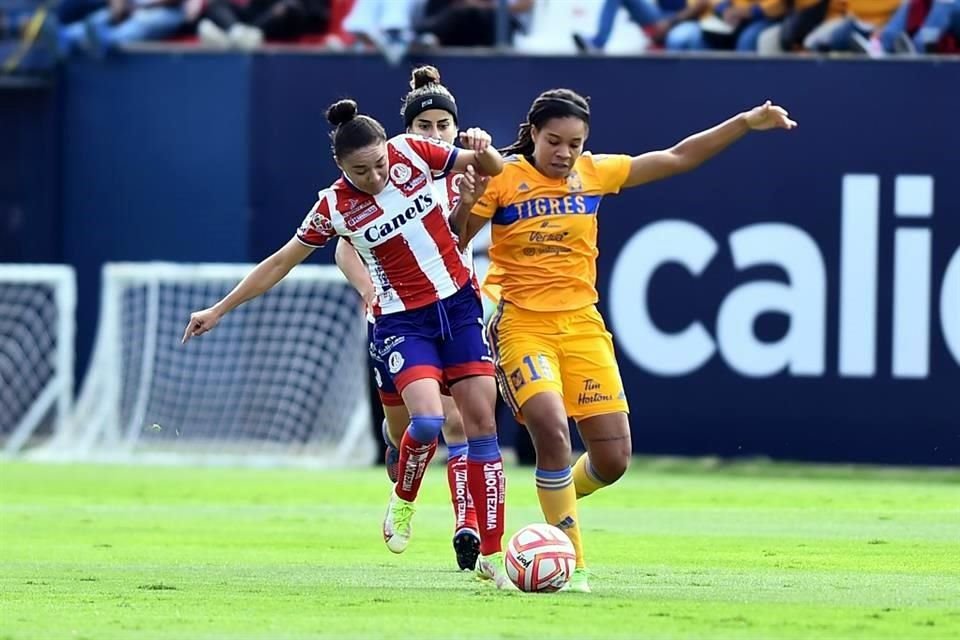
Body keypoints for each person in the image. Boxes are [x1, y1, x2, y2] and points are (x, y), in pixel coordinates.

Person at [454, 89, 796, 593]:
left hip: (583, 325)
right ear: (533, 134)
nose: (565, 152)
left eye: (575, 143)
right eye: (554, 141)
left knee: (613, 461)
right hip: (521, 324)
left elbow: (678, 157)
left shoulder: (595, 173)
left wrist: (743, 122)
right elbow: (456, 242)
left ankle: (555, 502)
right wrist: (463, 205)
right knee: (549, 427)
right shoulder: (501, 177)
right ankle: (574, 565)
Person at [182, 98, 516, 589]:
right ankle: (404, 500)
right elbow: (279, 262)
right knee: (426, 421)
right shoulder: (334, 205)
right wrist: (219, 309)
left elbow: (494, 169)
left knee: (482, 427)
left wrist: (483, 150)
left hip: (462, 307)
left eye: (380, 164)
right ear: (340, 166)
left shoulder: (415, 151)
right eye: (361, 170)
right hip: (403, 322)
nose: (376, 176)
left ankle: (493, 554)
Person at [332, 65, 489, 572]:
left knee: (460, 421)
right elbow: (346, 247)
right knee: (409, 431)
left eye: (446, 125)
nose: (436, 134)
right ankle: (395, 450)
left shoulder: (457, 177)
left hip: (453, 308)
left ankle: (468, 523)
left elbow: (459, 242)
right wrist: (366, 287)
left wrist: (466, 206)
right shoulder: (395, 169)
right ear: (409, 131)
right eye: (426, 126)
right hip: (397, 318)